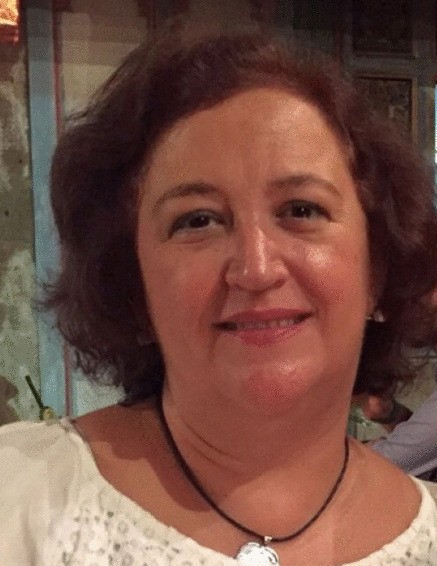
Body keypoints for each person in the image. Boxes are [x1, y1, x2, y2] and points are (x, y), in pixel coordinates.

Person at [1, 26, 437, 565]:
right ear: (132, 285)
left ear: (379, 269)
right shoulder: (19, 498)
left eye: (301, 210)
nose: (256, 269)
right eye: (198, 220)